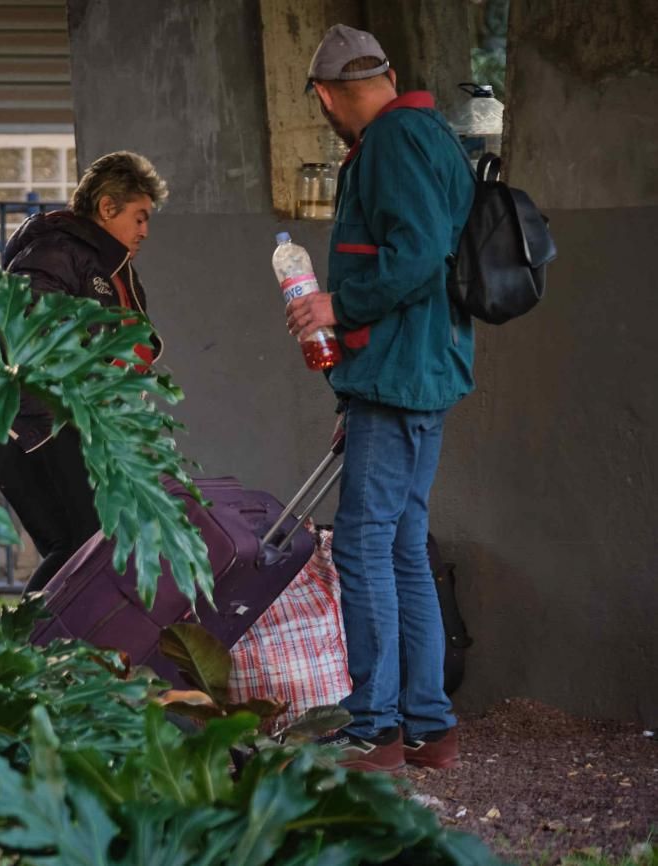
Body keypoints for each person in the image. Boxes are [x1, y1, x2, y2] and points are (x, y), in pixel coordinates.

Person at [285, 25, 475, 772]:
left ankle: (376, 727)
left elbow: (418, 254)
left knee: (363, 546)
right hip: (423, 375)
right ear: (389, 73)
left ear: (328, 96)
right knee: (401, 547)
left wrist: (337, 305)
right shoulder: (433, 134)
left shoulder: (392, 143)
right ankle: (428, 725)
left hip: (395, 378)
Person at [0, 151, 166, 594]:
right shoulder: (55, 251)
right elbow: (32, 330)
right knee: (86, 547)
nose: (145, 230)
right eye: (139, 217)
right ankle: (32, 648)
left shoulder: (114, 268)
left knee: (80, 548)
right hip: (40, 426)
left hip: (69, 426)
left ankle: (45, 652)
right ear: (107, 208)